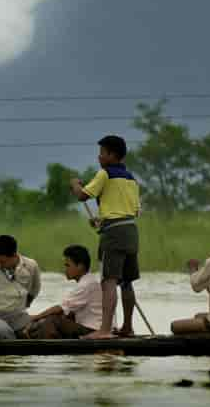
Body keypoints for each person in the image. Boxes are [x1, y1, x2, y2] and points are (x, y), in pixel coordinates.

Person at [70, 135, 140, 340]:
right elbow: (132, 211)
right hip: (131, 231)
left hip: (114, 234)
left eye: (102, 153)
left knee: (108, 281)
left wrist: (75, 184)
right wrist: (102, 221)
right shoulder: (131, 179)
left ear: (111, 155)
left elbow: (82, 195)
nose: (99, 157)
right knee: (127, 281)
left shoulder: (105, 174)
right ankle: (127, 327)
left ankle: (105, 330)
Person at [25, 245, 102, 339]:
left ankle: (48, 349)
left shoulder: (86, 285)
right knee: (57, 317)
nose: (65, 270)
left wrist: (36, 317)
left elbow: (60, 308)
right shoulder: (89, 281)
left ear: (80, 266)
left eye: (67, 265)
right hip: (91, 327)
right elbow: (67, 310)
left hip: (93, 330)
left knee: (53, 320)